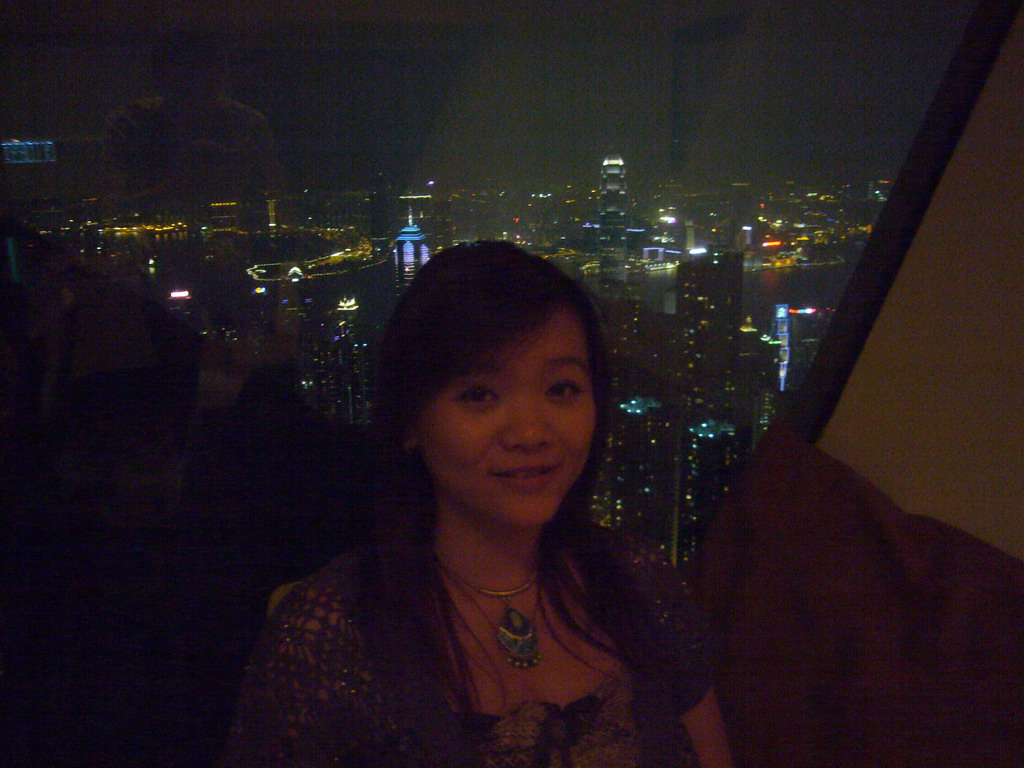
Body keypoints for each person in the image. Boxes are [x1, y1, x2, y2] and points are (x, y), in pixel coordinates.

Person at [219, 241, 735, 767]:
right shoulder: (329, 639)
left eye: (561, 388)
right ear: (409, 422)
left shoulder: (640, 582)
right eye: (479, 395)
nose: (532, 433)